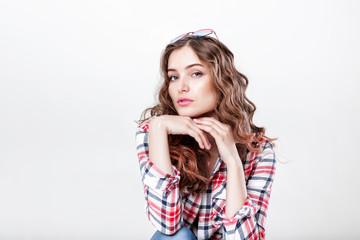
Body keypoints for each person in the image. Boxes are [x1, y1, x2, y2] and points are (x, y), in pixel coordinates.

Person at [135, 29, 276, 240]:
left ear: (223, 80)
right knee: (176, 236)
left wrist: (233, 162)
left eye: (196, 74)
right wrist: (158, 128)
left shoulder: (260, 150)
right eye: (173, 77)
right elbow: (167, 224)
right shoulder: (153, 133)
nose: (181, 87)